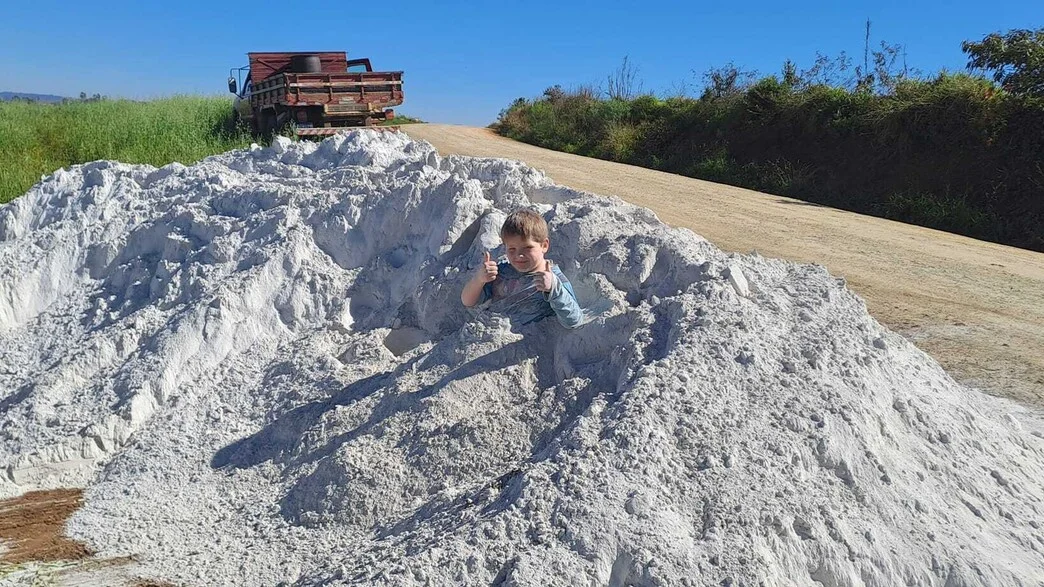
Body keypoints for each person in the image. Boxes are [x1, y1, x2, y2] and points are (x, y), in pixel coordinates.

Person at [461, 209, 585, 328]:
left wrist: (553, 289)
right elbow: (468, 301)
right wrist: (479, 279)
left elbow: (574, 321)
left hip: (525, 343)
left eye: (527, 248)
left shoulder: (553, 279)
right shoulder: (502, 273)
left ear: (544, 245)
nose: (519, 255)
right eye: (512, 249)